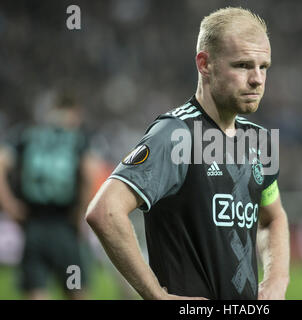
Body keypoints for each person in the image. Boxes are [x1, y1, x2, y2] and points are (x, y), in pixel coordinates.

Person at [86, 7, 290, 300]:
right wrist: (156, 295)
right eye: (243, 65)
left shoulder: (258, 140)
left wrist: (276, 280)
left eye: (264, 66)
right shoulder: (177, 135)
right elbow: (104, 211)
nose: (257, 79)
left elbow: (273, 218)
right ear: (205, 64)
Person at [0, 91, 96, 299]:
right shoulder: (77, 137)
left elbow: (1, 163)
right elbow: (89, 174)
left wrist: (9, 205)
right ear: (74, 112)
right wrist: (81, 214)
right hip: (65, 228)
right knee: (76, 288)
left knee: (36, 291)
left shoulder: (26, 133)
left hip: (33, 225)